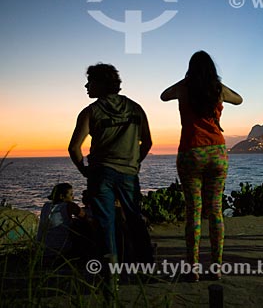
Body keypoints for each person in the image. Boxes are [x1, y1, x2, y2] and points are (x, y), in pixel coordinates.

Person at [68, 63, 154, 296]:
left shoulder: (90, 111)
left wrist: (83, 170)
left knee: (106, 225)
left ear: (101, 83)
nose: (86, 86)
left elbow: (75, 148)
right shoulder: (136, 108)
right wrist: (134, 163)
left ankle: (111, 279)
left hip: (100, 173)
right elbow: (147, 142)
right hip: (128, 173)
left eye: (90, 81)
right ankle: (147, 271)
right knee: (135, 219)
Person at [160, 51, 243, 282]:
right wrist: (216, 84)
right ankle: (216, 267)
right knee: (215, 212)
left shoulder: (184, 87)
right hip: (217, 153)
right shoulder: (217, 89)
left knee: (193, 214)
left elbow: (163, 95)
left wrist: (187, 81)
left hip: (190, 153)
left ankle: (193, 268)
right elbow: (239, 99)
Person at [36, 183, 86, 259]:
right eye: (71, 194)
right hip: (61, 248)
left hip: (42, 249)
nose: (73, 197)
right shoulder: (69, 205)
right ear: (62, 196)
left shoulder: (46, 205)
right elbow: (85, 217)